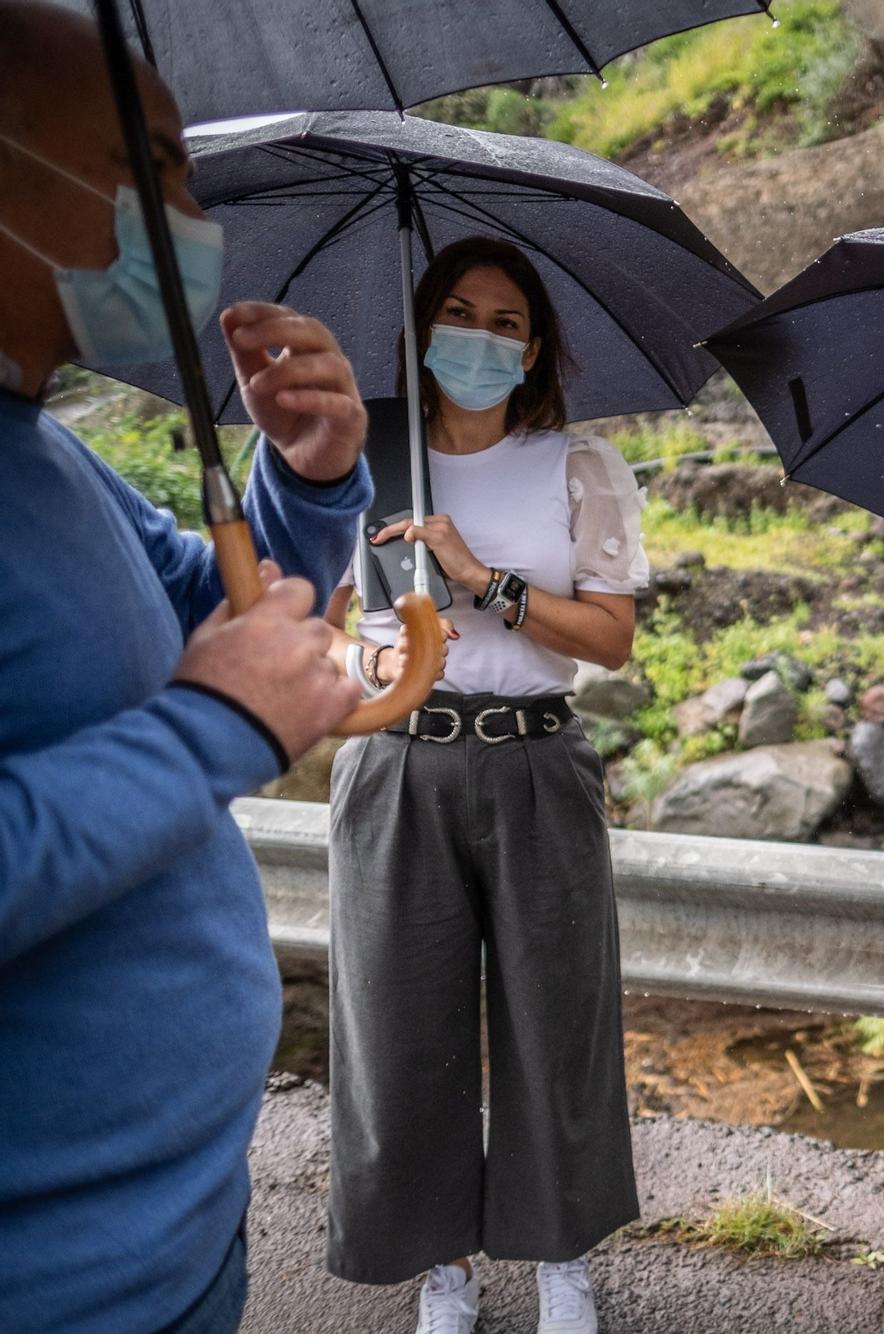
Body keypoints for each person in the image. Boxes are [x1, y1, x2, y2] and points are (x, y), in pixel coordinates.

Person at [0, 5, 376, 1331]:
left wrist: (310, 478)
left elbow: (204, 603)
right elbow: (209, 688)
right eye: (150, 164)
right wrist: (209, 726)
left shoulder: (37, 448)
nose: (188, 210)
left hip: (175, 1241)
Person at [319, 235, 648, 1334]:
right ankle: (442, 1264)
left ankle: (558, 1251)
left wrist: (484, 581)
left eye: (504, 322)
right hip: (397, 761)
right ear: (420, 330)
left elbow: (610, 638)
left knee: (555, 1015)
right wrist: (375, 660)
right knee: (399, 1019)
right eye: (456, 312)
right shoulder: (363, 458)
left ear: (535, 346)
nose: (478, 337)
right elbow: (322, 631)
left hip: (535, 757)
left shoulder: (577, 465)